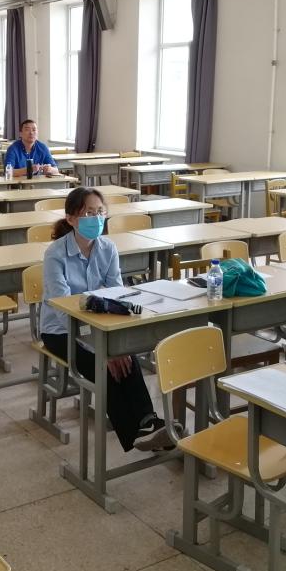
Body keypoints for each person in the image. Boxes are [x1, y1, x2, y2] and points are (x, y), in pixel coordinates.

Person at [40, 186, 176, 452]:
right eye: (89, 213)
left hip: (97, 325)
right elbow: (62, 309)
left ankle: (148, 421)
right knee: (103, 367)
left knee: (126, 357)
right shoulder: (56, 253)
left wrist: (115, 343)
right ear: (71, 218)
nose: (96, 218)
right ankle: (135, 435)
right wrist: (100, 348)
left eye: (100, 212)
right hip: (60, 330)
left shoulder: (107, 248)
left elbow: (117, 296)